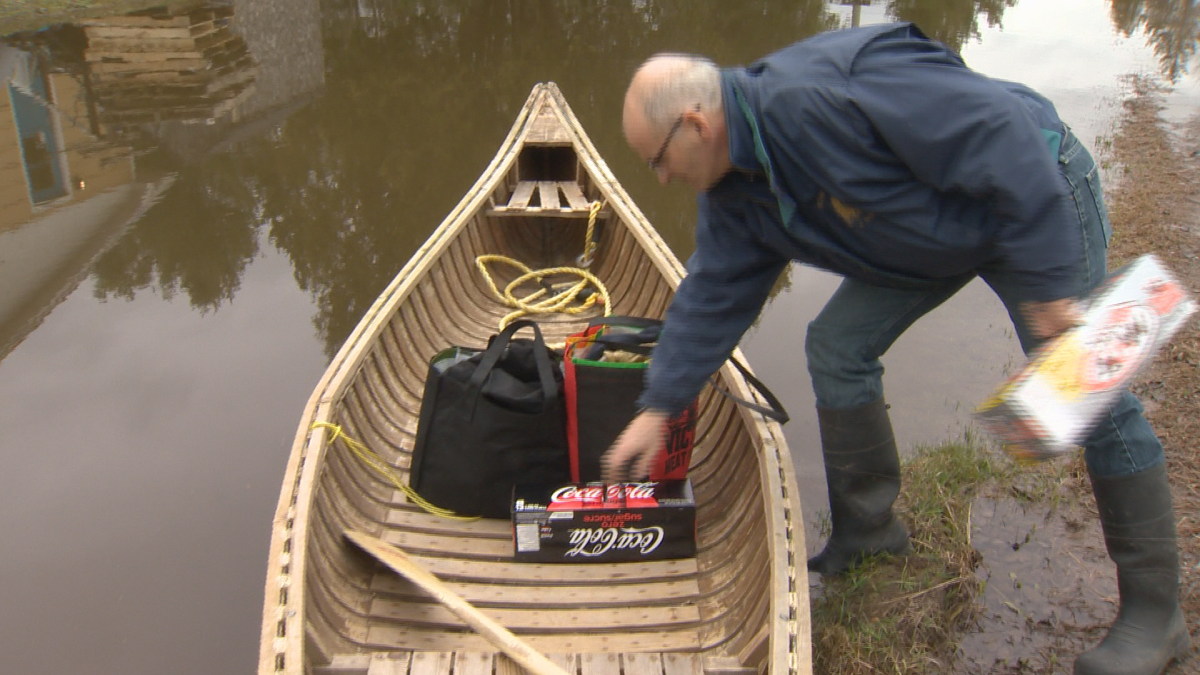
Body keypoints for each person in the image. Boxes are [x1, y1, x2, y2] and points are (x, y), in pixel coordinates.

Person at [605, 22, 1190, 675]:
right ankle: (870, 536)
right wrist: (658, 406)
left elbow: (1004, 138)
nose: (659, 178)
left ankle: (1154, 613)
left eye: (657, 158)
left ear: (695, 123)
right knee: (836, 344)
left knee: (1092, 397)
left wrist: (1052, 285)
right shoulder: (734, 189)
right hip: (929, 233)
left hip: (1032, 195)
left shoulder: (830, 91)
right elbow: (713, 292)